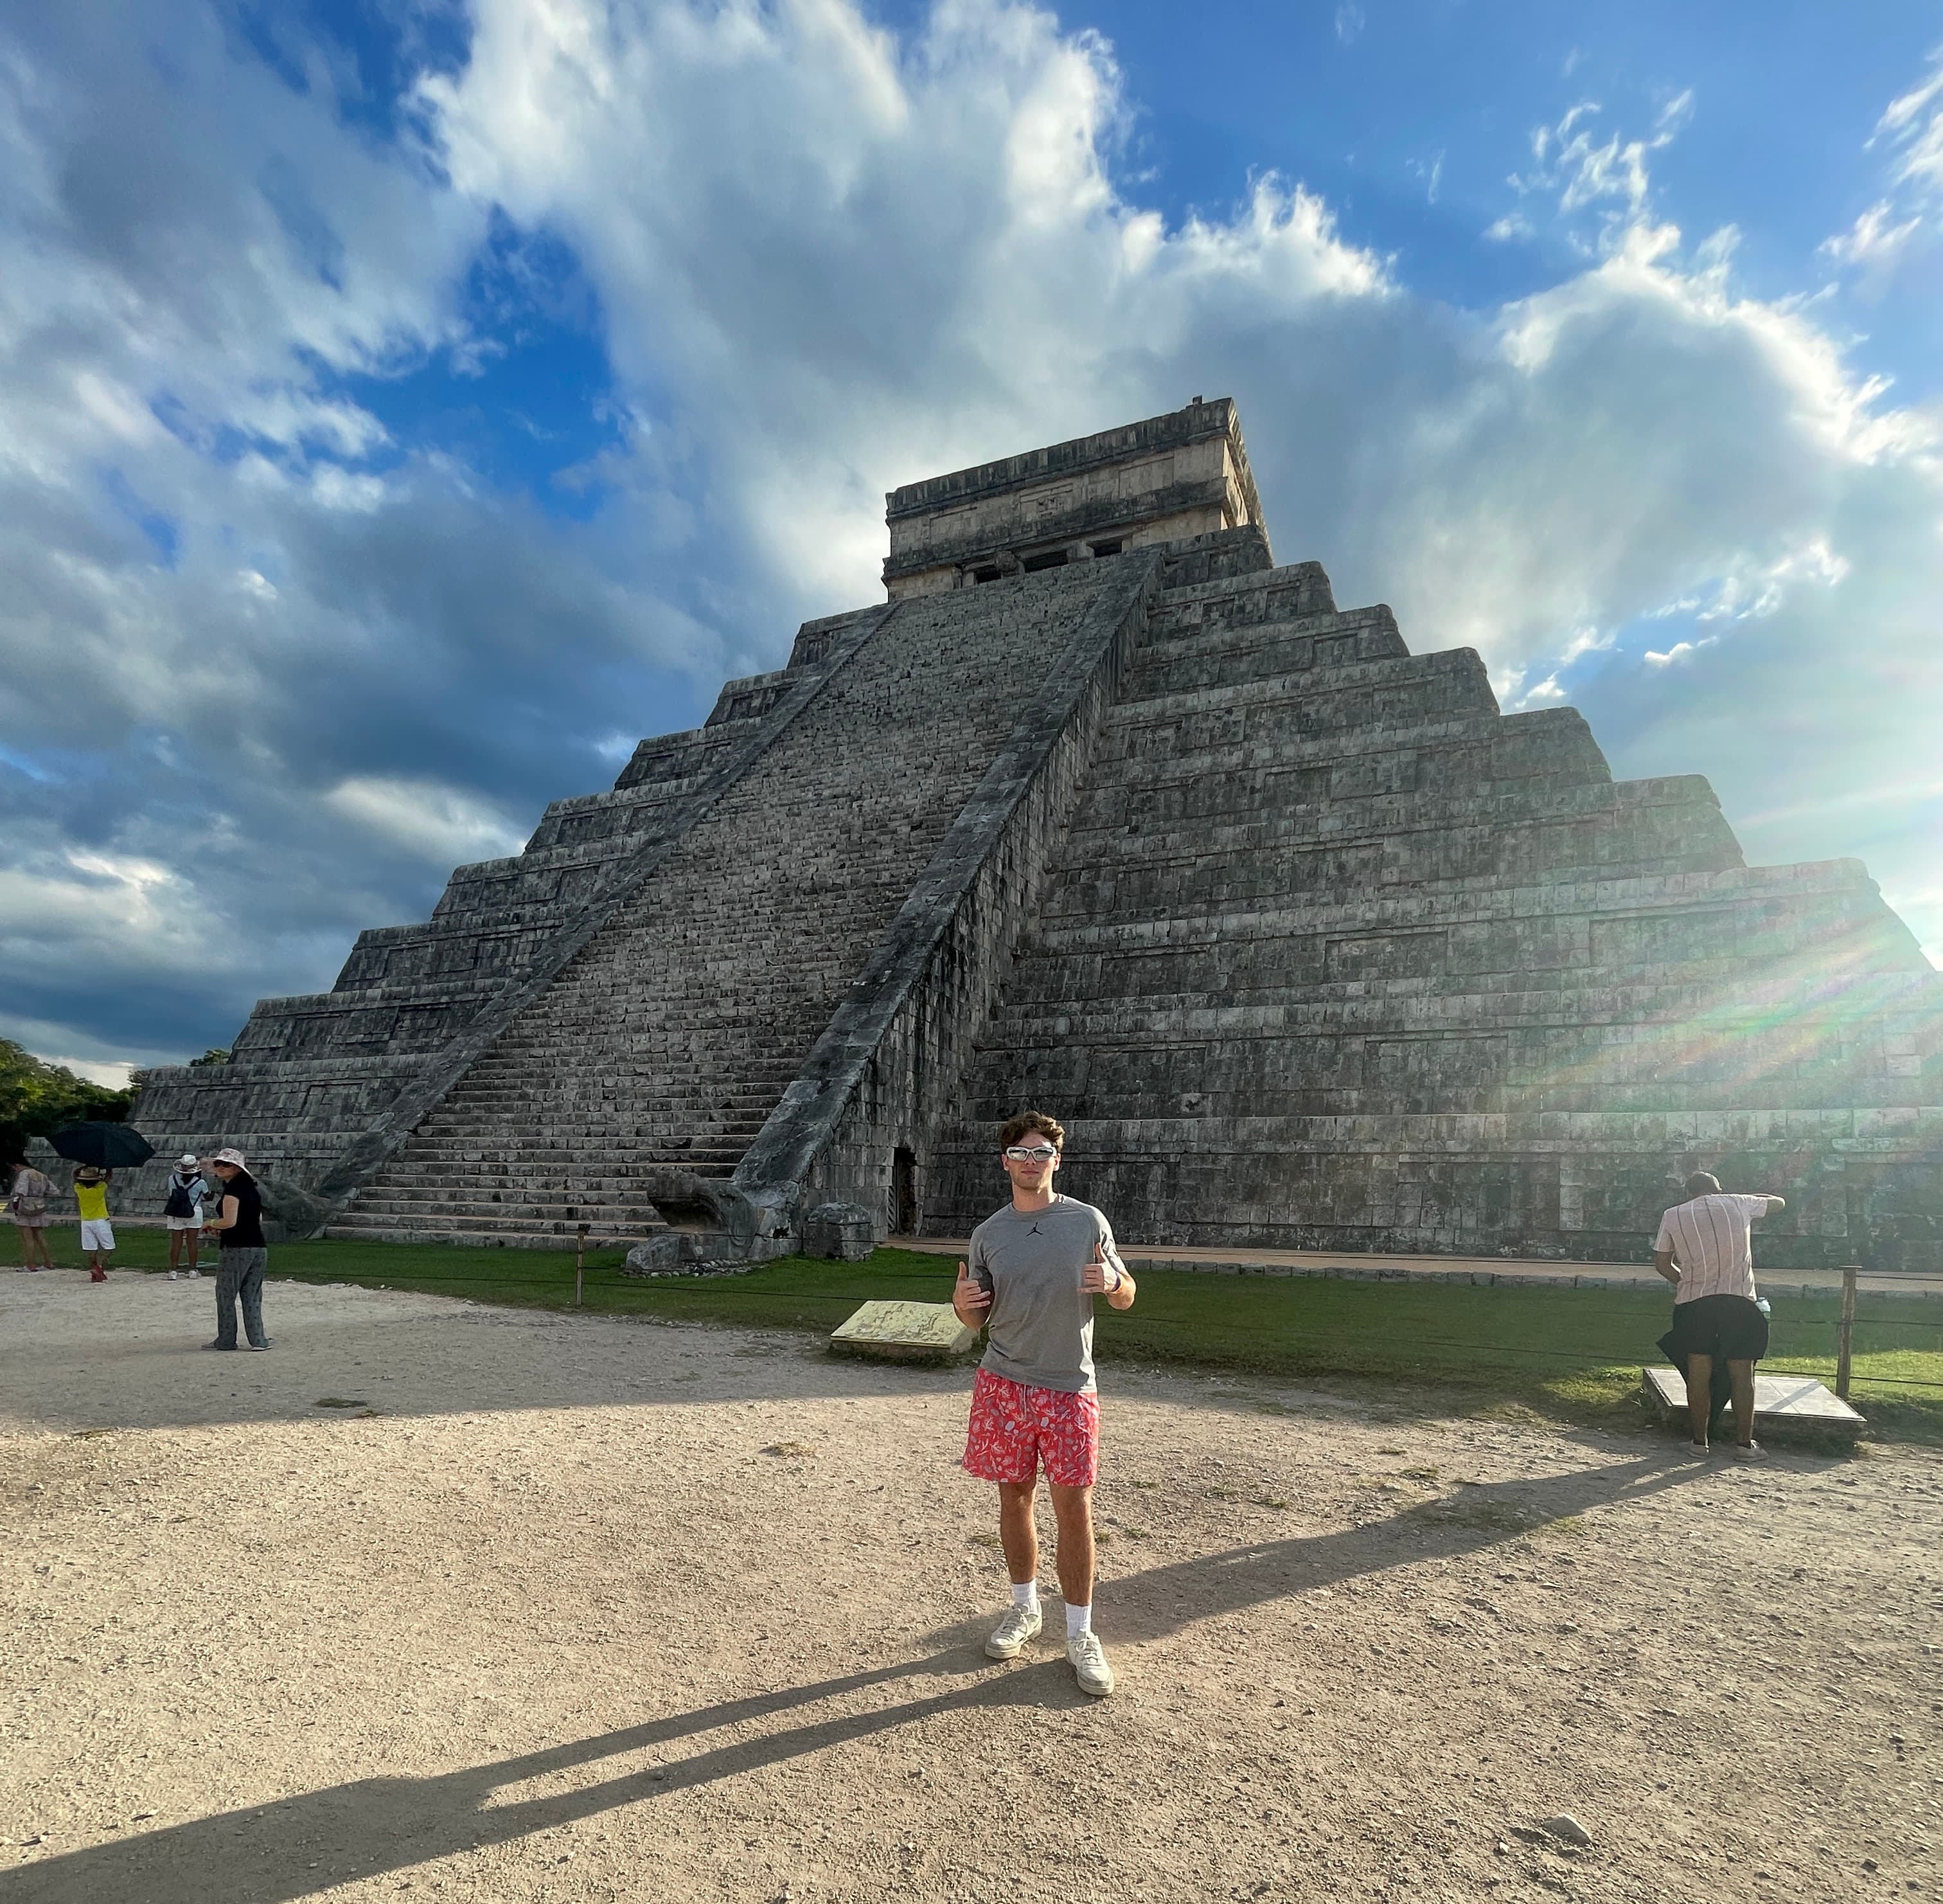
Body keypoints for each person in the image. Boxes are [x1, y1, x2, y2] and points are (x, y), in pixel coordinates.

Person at [952, 1110, 1136, 1698]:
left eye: (1041, 1153)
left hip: (1068, 1385)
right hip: (1003, 1382)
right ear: (1004, 1162)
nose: (1030, 1162)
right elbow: (976, 1320)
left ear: (1058, 1159)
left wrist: (1114, 1284)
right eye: (1020, 1153)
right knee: (1014, 1498)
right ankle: (1024, 1607)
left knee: (1074, 1507)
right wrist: (961, 1304)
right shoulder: (988, 1233)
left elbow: (1127, 1294)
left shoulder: (1086, 1221)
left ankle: (1081, 1632)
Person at [1653, 1171, 1786, 1459]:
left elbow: (1663, 1263)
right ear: (1718, 1190)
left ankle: (1699, 1442)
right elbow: (1779, 1202)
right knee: (1743, 1374)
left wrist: (1685, 1282)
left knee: (1698, 1374)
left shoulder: (1673, 1214)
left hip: (1695, 1303)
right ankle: (1744, 1445)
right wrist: (1753, 1197)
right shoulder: (1739, 1202)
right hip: (1739, 1301)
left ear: (1689, 1193)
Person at [201, 1148, 271, 1351]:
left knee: (225, 1294)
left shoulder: (233, 1190)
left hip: (236, 1247)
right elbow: (257, 1219)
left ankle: (226, 1339)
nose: (221, 1167)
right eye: (218, 1164)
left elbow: (229, 1221)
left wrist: (211, 1223)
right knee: (252, 1294)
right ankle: (258, 1340)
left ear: (237, 1168)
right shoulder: (252, 1190)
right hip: (258, 1246)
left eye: (227, 1164)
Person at [162, 1153, 209, 1279]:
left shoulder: (172, 1179)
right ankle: (193, 1270)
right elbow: (207, 1197)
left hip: (176, 1211)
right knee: (192, 1242)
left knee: (176, 1242)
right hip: (194, 1211)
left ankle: (173, 1271)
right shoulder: (200, 1182)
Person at [8, 1159, 56, 1271]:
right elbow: (54, 1191)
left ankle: (30, 1264)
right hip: (39, 1207)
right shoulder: (41, 1175)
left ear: (19, 1165)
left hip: (25, 1208)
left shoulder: (24, 1174)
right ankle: (48, 1262)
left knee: (27, 1238)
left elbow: (21, 1191)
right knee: (39, 1236)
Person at [73, 1165, 115, 1281]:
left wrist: (86, 1166)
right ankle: (98, 1267)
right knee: (109, 1247)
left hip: (86, 1221)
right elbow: (109, 1177)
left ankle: (94, 1271)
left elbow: (75, 1175)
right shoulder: (100, 1189)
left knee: (90, 1248)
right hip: (100, 1220)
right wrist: (107, 1166)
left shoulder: (79, 1189)